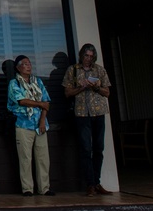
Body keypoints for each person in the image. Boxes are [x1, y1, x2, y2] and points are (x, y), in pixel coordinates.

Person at [62, 43, 112, 196]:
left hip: (98, 112)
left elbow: (107, 92)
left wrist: (96, 87)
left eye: (91, 56)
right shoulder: (73, 70)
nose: (88, 59)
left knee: (99, 148)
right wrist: (82, 87)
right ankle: (90, 184)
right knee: (85, 149)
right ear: (81, 55)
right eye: (86, 56)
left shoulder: (99, 70)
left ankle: (97, 182)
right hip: (82, 113)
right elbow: (67, 93)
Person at [7, 55, 54, 197]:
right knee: (25, 158)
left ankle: (44, 188)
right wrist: (40, 104)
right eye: (25, 64)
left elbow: (47, 102)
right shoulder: (14, 83)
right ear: (18, 67)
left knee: (43, 158)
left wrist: (42, 121)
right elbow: (22, 101)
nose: (29, 66)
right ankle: (27, 188)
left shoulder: (38, 82)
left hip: (40, 125)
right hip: (23, 124)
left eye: (29, 63)